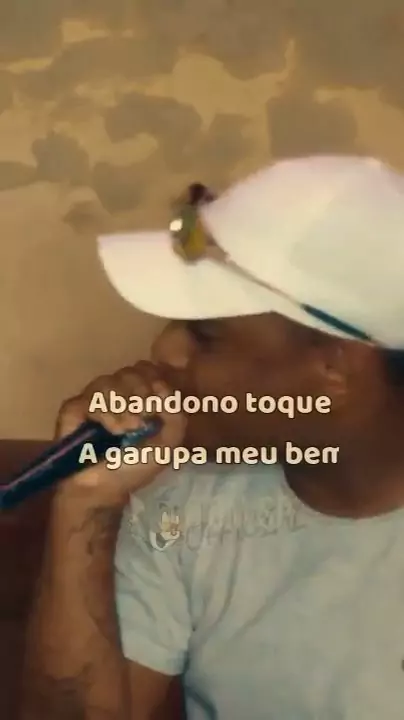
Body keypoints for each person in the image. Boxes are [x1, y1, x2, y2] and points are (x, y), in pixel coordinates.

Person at [19, 155, 404, 720]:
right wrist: (87, 502)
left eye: (206, 336)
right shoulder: (182, 508)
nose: (166, 352)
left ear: (335, 370)